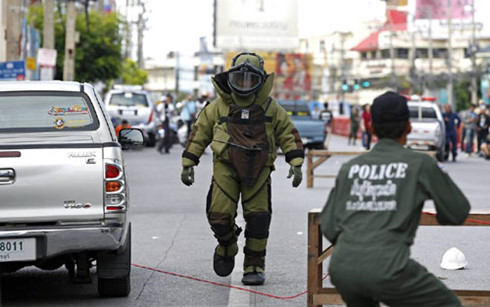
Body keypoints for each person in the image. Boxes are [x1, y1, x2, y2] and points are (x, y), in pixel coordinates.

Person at [321, 91, 470, 307]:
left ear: (371, 128)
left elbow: (329, 226)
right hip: (390, 268)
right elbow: (457, 212)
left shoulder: (350, 168)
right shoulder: (420, 164)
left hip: (343, 268)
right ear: (408, 127)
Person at [180, 52, 304, 286]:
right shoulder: (217, 107)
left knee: (259, 218)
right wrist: (189, 161)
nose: (244, 85)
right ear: (230, 79)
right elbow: (200, 132)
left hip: (259, 169)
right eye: (240, 79)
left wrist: (295, 161)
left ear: (261, 81)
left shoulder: (271, 108)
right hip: (225, 167)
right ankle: (227, 244)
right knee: (219, 215)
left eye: (250, 80)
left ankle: (254, 266)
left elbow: (287, 133)